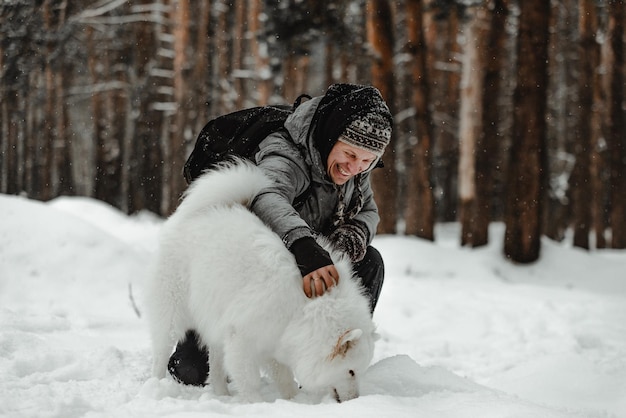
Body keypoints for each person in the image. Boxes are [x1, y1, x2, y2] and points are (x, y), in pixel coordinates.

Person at [167, 83, 393, 386]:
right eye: (350, 154)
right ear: (331, 136)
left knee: (370, 261)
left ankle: (335, 352)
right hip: (248, 273)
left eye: (367, 162)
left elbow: (369, 210)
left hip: (305, 273)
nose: (355, 168)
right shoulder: (285, 151)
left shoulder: (356, 171)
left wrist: (355, 233)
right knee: (193, 372)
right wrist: (303, 244)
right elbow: (266, 196)